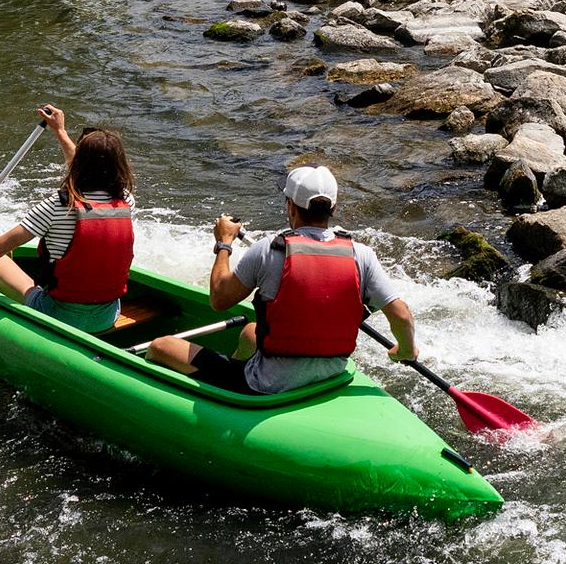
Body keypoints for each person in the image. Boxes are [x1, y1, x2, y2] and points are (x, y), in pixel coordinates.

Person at [144, 161, 415, 394]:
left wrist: (224, 244)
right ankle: (233, 373)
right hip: (331, 373)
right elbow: (401, 315)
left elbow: (219, 299)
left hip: (269, 385)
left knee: (160, 346)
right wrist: (405, 350)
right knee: (251, 332)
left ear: (291, 207)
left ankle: (220, 397)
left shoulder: (270, 249)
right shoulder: (361, 254)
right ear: (333, 207)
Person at [0, 106, 140, 333]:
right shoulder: (125, 200)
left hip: (57, 315)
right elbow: (87, 171)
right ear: (119, 165)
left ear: (80, 165)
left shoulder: (58, 205)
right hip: (107, 315)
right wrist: (60, 132)